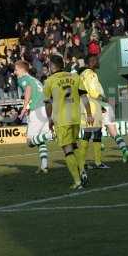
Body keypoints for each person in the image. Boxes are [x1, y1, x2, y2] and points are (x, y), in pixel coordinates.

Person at [43, 55, 94, 190]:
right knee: (74, 145)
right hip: (75, 117)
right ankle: (82, 168)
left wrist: (49, 120)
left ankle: (77, 181)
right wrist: (89, 114)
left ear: (52, 66)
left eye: (49, 65)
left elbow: (48, 104)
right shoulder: (75, 77)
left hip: (62, 119)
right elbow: (84, 96)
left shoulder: (49, 81)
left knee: (67, 150)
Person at [15, 60, 53, 174]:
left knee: (30, 141)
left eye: (16, 69)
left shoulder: (22, 79)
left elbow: (28, 90)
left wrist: (24, 109)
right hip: (45, 109)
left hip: (37, 110)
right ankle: (44, 165)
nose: (14, 72)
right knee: (40, 141)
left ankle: (51, 135)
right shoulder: (34, 79)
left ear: (22, 69)